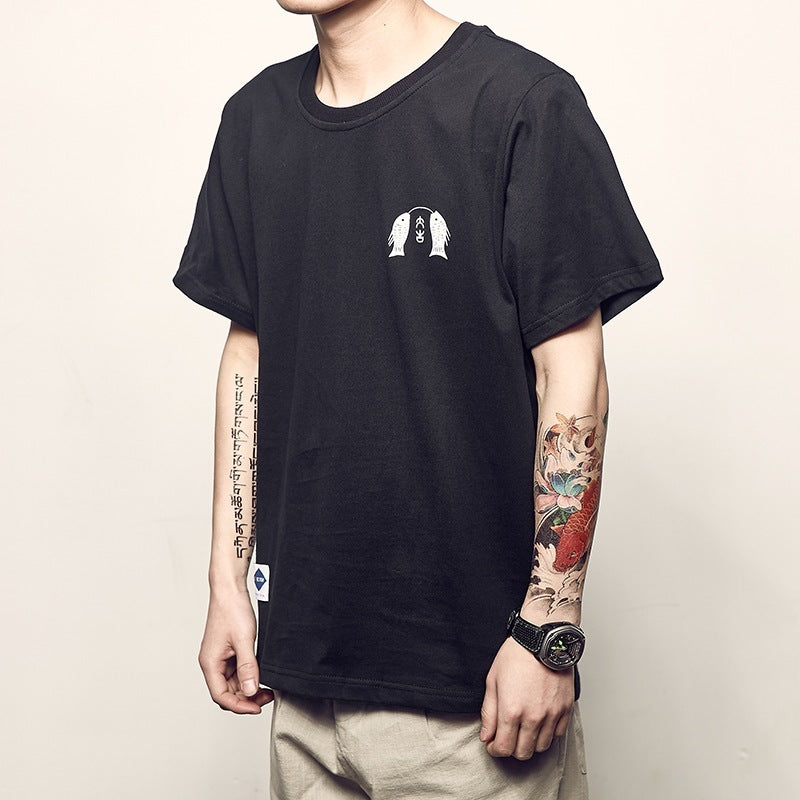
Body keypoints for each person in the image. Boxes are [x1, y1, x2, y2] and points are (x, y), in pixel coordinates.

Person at [172, 1, 664, 797]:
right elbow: (249, 354)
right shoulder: (254, 121)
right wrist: (227, 586)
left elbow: (573, 379)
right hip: (301, 683)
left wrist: (548, 626)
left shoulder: (522, 102)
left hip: (478, 700)